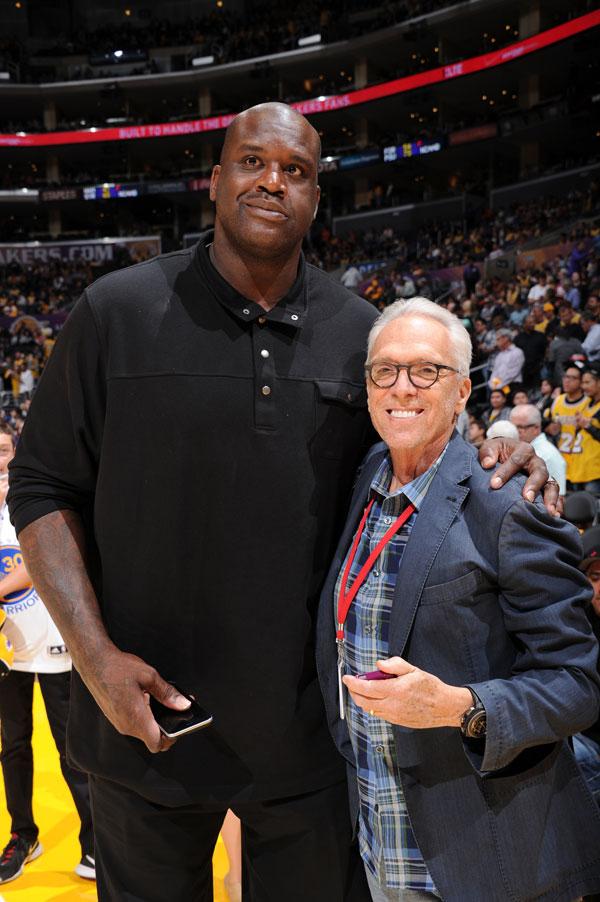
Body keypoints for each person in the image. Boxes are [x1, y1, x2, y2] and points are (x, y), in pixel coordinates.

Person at [6, 103, 555, 902]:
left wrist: (502, 449)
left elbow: (421, 450)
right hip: (144, 727)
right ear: (216, 179)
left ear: (316, 196)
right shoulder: (115, 312)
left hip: (313, 741)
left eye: (296, 170)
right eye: (252, 162)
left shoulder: (360, 332)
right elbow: (42, 485)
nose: (273, 181)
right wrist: (94, 658)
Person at [316, 298, 600, 902]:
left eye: (426, 371)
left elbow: (578, 683)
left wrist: (459, 707)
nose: (402, 388)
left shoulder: (509, 504)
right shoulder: (363, 479)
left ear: (462, 390)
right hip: (379, 836)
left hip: (487, 857)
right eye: (384, 371)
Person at [0, 424, 94, 886]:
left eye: (1, 450)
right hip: (7, 648)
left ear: (14, 453)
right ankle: (22, 836)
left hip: (54, 641)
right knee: (13, 747)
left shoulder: (33, 496)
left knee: (70, 749)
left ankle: (94, 843)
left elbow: (42, 562)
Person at [548, 363, 590, 489]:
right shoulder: (557, 401)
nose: (567, 380)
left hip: (583, 462)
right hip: (561, 460)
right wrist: (550, 429)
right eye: (566, 377)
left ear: (581, 382)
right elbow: (551, 427)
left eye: (573, 378)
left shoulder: (589, 402)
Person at [510, 403, 567, 496]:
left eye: (519, 427)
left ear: (536, 428)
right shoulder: (524, 448)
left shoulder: (548, 454)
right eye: (512, 427)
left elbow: (558, 499)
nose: (514, 431)